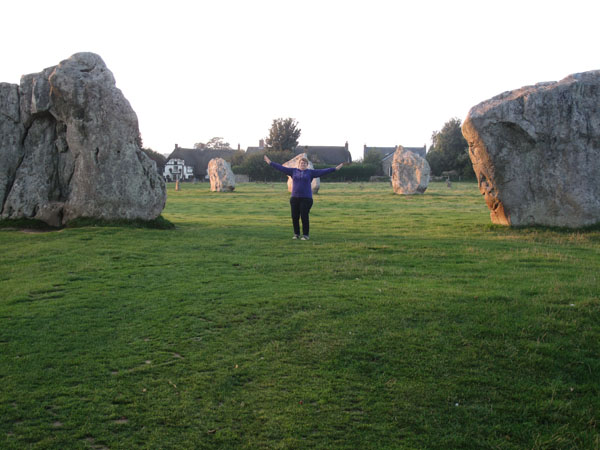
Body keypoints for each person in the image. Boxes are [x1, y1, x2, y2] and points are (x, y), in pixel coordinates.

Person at [264, 155, 343, 240]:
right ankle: (296, 234)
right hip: (294, 198)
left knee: (304, 216)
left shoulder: (310, 172)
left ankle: (305, 235)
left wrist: (335, 169)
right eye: (301, 163)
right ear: (298, 164)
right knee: (295, 217)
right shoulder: (293, 171)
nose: (303, 164)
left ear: (307, 165)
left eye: (305, 163)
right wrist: (270, 162)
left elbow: (323, 171)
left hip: (306, 198)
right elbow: (281, 168)